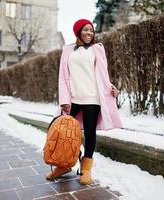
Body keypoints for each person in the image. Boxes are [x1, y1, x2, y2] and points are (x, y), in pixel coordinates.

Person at [46, 19, 122, 185]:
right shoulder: (68, 51)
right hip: (72, 99)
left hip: (92, 98)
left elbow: (103, 74)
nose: (90, 33)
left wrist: (112, 88)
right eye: (86, 30)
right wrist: (64, 100)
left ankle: (86, 168)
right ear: (78, 31)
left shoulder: (97, 49)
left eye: (91, 30)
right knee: (62, 131)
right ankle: (63, 165)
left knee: (89, 133)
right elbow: (63, 78)